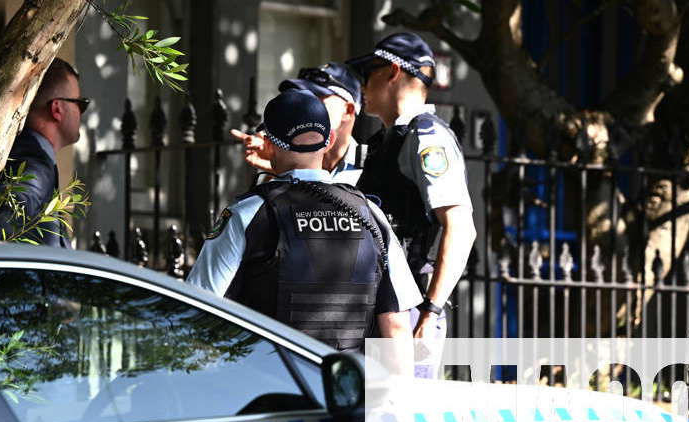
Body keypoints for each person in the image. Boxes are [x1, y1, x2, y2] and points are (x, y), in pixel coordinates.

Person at [188, 89, 421, 350]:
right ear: (329, 140)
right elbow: (397, 327)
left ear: (270, 143)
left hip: (269, 383)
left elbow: (198, 306)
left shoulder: (249, 214)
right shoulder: (370, 214)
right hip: (346, 385)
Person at [347, 32, 477, 352]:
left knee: (400, 402)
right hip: (383, 304)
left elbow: (460, 228)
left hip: (409, 310)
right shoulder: (389, 139)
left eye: (368, 75)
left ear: (392, 71)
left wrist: (429, 312)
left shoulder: (426, 136)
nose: (362, 87)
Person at [0, 58, 89, 247]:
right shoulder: (31, 170)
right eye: (81, 104)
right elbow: (7, 255)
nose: (81, 112)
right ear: (57, 109)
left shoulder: (29, 160)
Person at [230, 63, 367, 185]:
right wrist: (283, 166)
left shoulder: (372, 164)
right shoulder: (282, 159)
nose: (304, 107)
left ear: (348, 111)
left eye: (316, 100)